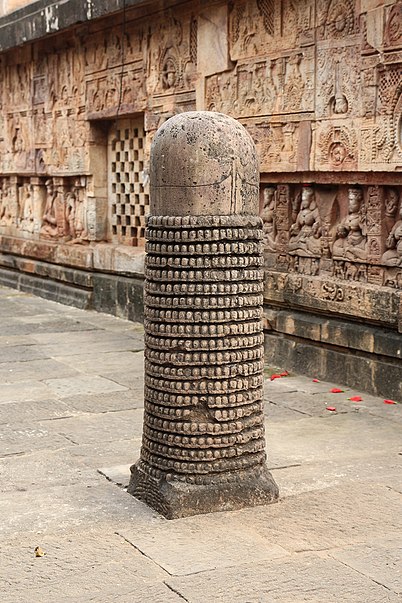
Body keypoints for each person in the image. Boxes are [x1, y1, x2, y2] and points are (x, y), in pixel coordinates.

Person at [332, 187, 367, 261]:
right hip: (347, 240)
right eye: (349, 200)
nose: (349, 204)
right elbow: (342, 233)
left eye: (351, 200)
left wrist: (362, 223)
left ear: (359, 203)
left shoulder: (361, 217)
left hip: (358, 242)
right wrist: (341, 229)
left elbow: (365, 232)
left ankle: (350, 252)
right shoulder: (347, 217)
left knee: (365, 253)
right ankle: (348, 253)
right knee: (335, 246)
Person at [289, 185, 322, 256]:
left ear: (311, 199)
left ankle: (302, 247)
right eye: (303, 201)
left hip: (310, 235)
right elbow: (297, 224)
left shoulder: (314, 211)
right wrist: (294, 227)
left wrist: (316, 225)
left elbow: (319, 222)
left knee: (317, 245)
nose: (304, 203)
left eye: (306, 200)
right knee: (290, 242)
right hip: (301, 234)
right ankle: (301, 247)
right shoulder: (301, 212)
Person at [381, 200, 402, 266]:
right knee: (385, 257)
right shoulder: (398, 223)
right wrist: (391, 238)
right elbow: (389, 244)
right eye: (401, 208)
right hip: (397, 252)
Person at [261, 187, 277, 252]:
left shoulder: (273, 208)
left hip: (271, 231)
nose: (265, 199)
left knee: (272, 245)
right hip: (263, 230)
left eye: (267, 197)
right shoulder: (264, 209)